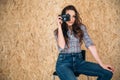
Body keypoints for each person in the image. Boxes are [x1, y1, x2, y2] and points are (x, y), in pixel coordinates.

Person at [54, 5, 114, 80]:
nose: (71, 19)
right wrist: (59, 26)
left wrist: (101, 64)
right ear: (63, 16)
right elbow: (62, 46)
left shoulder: (81, 28)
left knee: (107, 73)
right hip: (64, 63)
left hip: (79, 61)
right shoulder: (58, 32)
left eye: (74, 16)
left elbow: (90, 45)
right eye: (68, 16)